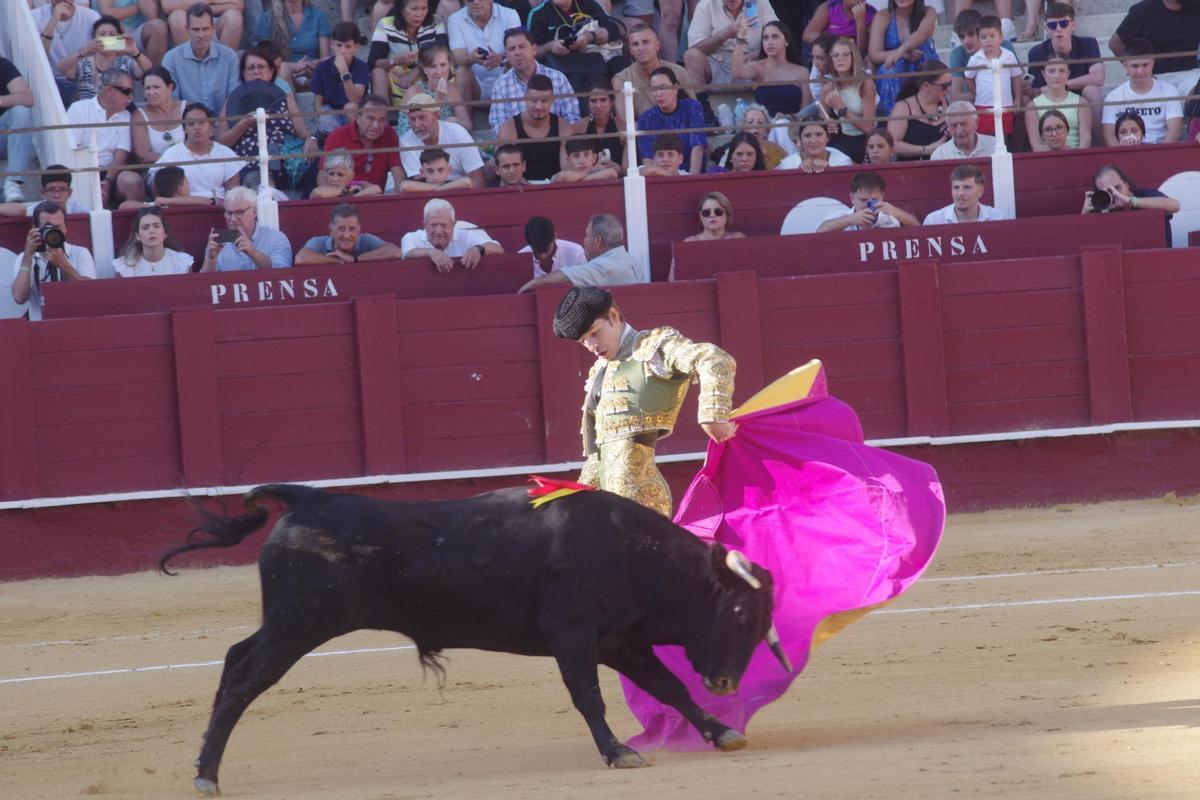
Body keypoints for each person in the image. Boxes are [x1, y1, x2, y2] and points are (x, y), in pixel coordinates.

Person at [549, 285, 736, 517]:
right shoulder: (600, 371)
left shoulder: (653, 348)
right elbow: (599, 452)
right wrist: (580, 496)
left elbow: (712, 358)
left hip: (642, 500)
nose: (592, 346)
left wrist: (712, 415)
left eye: (595, 333)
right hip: (606, 505)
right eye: (584, 341)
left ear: (614, 317)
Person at [218, 45, 317, 189]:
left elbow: (302, 132)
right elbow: (222, 142)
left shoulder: (284, 98)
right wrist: (244, 124)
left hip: (283, 160)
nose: (256, 72)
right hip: (247, 164)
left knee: (318, 163)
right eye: (251, 68)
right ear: (244, 73)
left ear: (271, 72)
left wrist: (311, 139)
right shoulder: (233, 100)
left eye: (261, 67)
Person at [1026, 3, 1103, 143]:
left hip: (1079, 96)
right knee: (1026, 101)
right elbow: (1035, 91)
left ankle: (1100, 145)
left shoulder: (1088, 44)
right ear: (1046, 28)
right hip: (1050, 96)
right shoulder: (1036, 52)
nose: (1058, 29)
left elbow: (1099, 77)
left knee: (1093, 91)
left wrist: (1063, 84)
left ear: (1073, 25)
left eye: (1063, 23)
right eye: (1052, 25)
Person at [684, 0, 780, 108]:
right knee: (691, 56)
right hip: (718, 65)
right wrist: (726, 33)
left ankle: (772, 109)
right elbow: (695, 46)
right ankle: (703, 111)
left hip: (751, 63)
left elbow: (778, 32)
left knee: (774, 52)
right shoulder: (706, 5)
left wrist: (760, 53)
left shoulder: (759, 3)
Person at [11, 201, 97, 321]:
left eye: (57, 228)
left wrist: (64, 265)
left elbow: (90, 295)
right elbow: (19, 297)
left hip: (76, 325)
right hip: (40, 330)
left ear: (66, 227)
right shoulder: (25, 257)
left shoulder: (80, 253)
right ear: (35, 229)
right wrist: (28, 256)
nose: (53, 232)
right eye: (47, 227)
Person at [526, 0, 626, 102]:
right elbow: (530, 52)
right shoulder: (538, 13)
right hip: (562, 68)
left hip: (594, 61)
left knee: (621, 65)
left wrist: (590, 36)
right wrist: (550, 46)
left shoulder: (590, 4)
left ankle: (624, 114)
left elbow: (613, 29)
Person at [518, 213, 647, 291]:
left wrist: (532, 283)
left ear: (597, 240)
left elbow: (564, 276)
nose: (584, 241)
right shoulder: (632, 261)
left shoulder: (602, 267)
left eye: (587, 236)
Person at [66, 68, 139, 206]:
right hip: (83, 171)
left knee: (131, 180)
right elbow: (72, 150)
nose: (131, 97)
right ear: (110, 90)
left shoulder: (127, 116)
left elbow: (121, 153)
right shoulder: (79, 109)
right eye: (126, 91)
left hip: (110, 173)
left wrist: (108, 181)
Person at [488, 27, 579, 136]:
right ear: (506, 55)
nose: (517, 52)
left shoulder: (558, 78)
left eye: (522, 47)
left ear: (534, 49)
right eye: (512, 49)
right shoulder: (501, 86)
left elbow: (572, 118)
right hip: (519, 148)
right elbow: (498, 127)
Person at [1110, 0, 1200, 101]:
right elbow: (1115, 43)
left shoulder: (1196, 7)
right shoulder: (1143, 10)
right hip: (1153, 76)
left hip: (1190, 75)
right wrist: (1139, 69)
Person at [152, 102, 244, 200]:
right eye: (191, 124)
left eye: (201, 122)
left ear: (211, 125)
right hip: (183, 209)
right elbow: (157, 187)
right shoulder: (172, 154)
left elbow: (233, 193)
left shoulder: (225, 153)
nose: (196, 127)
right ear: (184, 129)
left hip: (218, 209)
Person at [1102, 39, 1184, 146]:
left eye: (1145, 65)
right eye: (1135, 66)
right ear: (1125, 64)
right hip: (1127, 152)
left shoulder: (1169, 91)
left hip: (1161, 150)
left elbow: (1175, 131)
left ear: (1153, 62)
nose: (1140, 71)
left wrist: (1158, 156)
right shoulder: (1114, 97)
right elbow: (1109, 136)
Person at [161, 4, 240, 114]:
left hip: (222, 123)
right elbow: (172, 101)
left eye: (205, 29)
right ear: (187, 29)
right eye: (196, 30)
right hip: (187, 125)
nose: (201, 35)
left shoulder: (229, 57)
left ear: (213, 28)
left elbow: (233, 97)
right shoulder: (171, 59)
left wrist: (220, 125)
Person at [368, 0, 446, 107]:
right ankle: (382, 116)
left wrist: (416, 71)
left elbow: (444, 53)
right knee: (377, 72)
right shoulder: (385, 24)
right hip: (398, 80)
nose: (419, 14)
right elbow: (372, 61)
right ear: (401, 9)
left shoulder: (436, 21)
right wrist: (396, 61)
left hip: (429, 76)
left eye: (424, 8)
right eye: (414, 9)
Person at [319, 95, 404, 192]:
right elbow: (323, 173)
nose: (376, 126)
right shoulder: (338, 136)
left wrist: (398, 200)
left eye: (381, 120)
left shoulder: (390, 135)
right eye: (370, 119)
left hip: (376, 199)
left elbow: (397, 173)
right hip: (344, 199)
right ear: (358, 118)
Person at [399, 91, 485, 185]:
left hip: (462, 189)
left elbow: (477, 178)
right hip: (429, 192)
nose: (417, 125)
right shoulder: (406, 142)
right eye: (412, 119)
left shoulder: (457, 132)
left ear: (436, 115)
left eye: (422, 117)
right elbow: (420, 184)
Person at [868, 0, 938, 115]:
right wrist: (900, 54)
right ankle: (894, 117)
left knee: (927, 66)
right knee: (888, 70)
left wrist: (900, 51)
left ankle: (927, 114)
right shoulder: (883, 16)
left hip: (922, 63)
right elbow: (874, 54)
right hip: (894, 67)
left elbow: (922, 33)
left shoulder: (928, 12)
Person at [200, 186, 294, 271]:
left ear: (254, 212)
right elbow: (203, 284)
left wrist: (253, 253)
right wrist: (211, 260)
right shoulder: (219, 241)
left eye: (239, 212)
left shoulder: (276, 238)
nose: (233, 219)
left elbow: (284, 274)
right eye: (229, 213)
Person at [1082, 163, 1179, 245]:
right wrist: (1085, 213)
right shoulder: (1102, 208)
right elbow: (1082, 238)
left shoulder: (1145, 196)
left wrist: (1130, 201)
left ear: (1127, 183)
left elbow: (1175, 206)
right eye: (1108, 192)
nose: (1115, 193)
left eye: (1117, 188)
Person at [58, 16, 150, 101]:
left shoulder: (125, 61)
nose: (107, 38)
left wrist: (135, 52)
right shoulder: (84, 62)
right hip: (90, 114)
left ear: (119, 38)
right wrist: (84, 52)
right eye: (102, 34)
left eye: (112, 35)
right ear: (94, 38)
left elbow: (148, 71)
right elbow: (62, 68)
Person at [446, 0, 520, 105]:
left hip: (504, 77)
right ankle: (464, 121)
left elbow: (518, 51)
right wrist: (472, 58)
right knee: (462, 72)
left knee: (515, 67)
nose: (475, 2)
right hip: (476, 84)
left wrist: (501, 60)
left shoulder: (510, 15)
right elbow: (458, 58)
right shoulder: (455, 19)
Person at [612, 24, 694, 117]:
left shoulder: (679, 72)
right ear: (630, 50)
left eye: (645, 42)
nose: (641, 48)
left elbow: (694, 112)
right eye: (635, 44)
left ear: (657, 45)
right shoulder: (621, 79)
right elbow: (624, 122)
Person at [635, 67, 706, 175]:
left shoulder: (692, 107)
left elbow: (698, 147)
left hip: (690, 174)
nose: (658, 94)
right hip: (660, 177)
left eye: (663, 88)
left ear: (676, 88)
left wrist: (691, 180)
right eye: (654, 89)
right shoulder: (645, 118)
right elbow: (648, 158)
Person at [400, 197, 502, 271]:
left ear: (453, 224)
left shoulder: (467, 230)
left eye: (444, 225)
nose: (438, 231)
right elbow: (408, 253)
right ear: (424, 224)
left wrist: (479, 249)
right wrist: (430, 252)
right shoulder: (411, 237)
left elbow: (497, 248)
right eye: (433, 225)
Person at [496, 75, 566, 182]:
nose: (538, 106)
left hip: (554, 186)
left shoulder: (563, 128)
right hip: (519, 188)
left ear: (552, 100)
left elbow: (568, 167)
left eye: (544, 101)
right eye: (534, 101)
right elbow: (506, 168)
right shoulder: (509, 128)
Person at [733, 20, 808, 118]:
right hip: (764, 128)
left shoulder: (801, 72)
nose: (769, 42)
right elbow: (737, 73)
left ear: (787, 41)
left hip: (793, 127)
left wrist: (791, 122)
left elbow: (806, 110)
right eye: (765, 38)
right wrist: (740, 39)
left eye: (775, 37)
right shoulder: (757, 67)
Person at [818, 37, 876, 163]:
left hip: (865, 140)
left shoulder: (865, 83)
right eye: (836, 55)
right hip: (840, 140)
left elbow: (868, 127)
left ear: (853, 57)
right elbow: (823, 120)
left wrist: (841, 108)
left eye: (845, 54)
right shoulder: (827, 88)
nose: (840, 58)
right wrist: (828, 125)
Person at [964, 15, 1022, 140]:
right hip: (983, 105)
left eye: (992, 36)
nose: (988, 40)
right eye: (984, 37)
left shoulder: (1009, 56)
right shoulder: (975, 59)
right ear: (979, 40)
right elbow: (968, 78)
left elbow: (1016, 77)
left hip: (1005, 104)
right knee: (985, 138)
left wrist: (1017, 98)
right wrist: (976, 94)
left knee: (1003, 137)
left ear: (1001, 37)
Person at [33, 0, 102, 104]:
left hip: (80, 79)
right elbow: (37, 55)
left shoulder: (91, 16)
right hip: (48, 79)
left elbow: (103, 47)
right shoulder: (35, 16)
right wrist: (54, 19)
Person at [667, 191, 746, 280]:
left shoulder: (737, 238)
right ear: (701, 216)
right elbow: (673, 279)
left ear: (727, 215)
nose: (712, 215)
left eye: (718, 211)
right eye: (706, 212)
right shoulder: (690, 243)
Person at [396, 45, 472, 134]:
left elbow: (468, 126)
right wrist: (438, 100)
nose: (439, 72)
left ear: (450, 65)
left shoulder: (452, 89)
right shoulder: (415, 91)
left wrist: (456, 122)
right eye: (433, 66)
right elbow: (421, 129)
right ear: (425, 69)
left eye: (443, 65)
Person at [256, 0, 331, 90]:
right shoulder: (268, 18)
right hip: (280, 72)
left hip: (312, 70)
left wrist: (311, 64)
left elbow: (325, 58)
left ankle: (309, 83)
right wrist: (293, 66)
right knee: (284, 70)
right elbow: (264, 58)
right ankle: (296, 96)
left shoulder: (318, 16)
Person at [297, 203, 405, 264]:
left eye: (352, 229)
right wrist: (337, 261)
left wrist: (355, 259)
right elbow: (301, 258)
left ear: (359, 230)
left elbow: (396, 252)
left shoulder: (365, 239)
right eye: (341, 229)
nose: (347, 235)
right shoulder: (319, 242)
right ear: (331, 230)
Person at [947, 8, 1016, 102]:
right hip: (976, 102)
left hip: (1006, 97)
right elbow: (956, 96)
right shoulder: (958, 54)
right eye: (961, 36)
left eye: (971, 34)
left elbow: (1019, 81)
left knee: (1024, 99)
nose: (966, 41)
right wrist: (985, 96)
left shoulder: (1004, 46)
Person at [311, 21, 370, 132]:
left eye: (348, 46)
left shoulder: (362, 67)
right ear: (332, 44)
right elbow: (317, 106)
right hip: (331, 112)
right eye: (339, 45)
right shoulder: (322, 68)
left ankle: (354, 141)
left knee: (350, 108)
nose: (342, 51)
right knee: (326, 113)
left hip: (355, 113)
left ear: (356, 47)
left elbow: (355, 100)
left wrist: (344, 73)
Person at [816, 170, 919, 232]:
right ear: (852, 198)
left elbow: (918, 227)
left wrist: (896, 212)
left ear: (882, 196)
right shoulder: (841, 215)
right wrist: (849, 220)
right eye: (863, 200)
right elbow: (819, 232)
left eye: (875, 199)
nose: (869, 204)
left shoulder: (890, 217)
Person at [887, 60, 949, 160]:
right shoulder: (903, 107)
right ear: (926, 86)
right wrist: (925, 150)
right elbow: (892, 144)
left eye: (950, 84)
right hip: (912, 167)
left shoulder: (948, 103)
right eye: (944, 86)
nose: (949, 89)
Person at [1025, 56, 1090, 150]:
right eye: (1051, 71)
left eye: (1062, 71)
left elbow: (1086, 140)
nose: (1057, 75)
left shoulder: (1081, 103)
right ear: (1043, 74)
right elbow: (1036, 145)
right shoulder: (1033, 106)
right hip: (1046, 159)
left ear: (1068, 74)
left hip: (1075, 157)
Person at [112, 206, 195, 277]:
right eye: (145, 228)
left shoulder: (181, 262)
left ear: (165, 233)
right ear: (137, 236)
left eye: (156, 226)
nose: (151, 231)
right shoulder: (124, 266)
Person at [131, 68, 185, 170]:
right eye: (147, 88)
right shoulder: (139, 115)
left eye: (156, 87)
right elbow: (143, 155)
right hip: (158, 170)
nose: (151, 92)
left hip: (190, 166)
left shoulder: (186, 109)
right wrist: (174, 162)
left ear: (170, 87)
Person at [0, 58, 36, 203]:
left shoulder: (2, 65)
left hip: (3, 135)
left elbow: (27, 98)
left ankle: (13, 182)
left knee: (21, 112)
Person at [922, 164, 1006, 225]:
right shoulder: (933, 221)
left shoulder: (997, 218)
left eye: (967, 187)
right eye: (956, 187)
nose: (960, 193)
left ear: (980, 191)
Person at [95, 0, 169, 67]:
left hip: (137, 31)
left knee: (158, 26)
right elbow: (108, 14)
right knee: (113, 30)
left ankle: (154, 75)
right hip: (110, 35)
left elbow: (152, 15)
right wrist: (137, 7)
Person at [570, 78, 624, 170]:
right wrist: (593, 170)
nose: (598, 106)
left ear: (612, 102)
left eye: (603, 100)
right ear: (587, 103)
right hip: (587, 181)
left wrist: (618, 168)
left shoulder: (623, 128)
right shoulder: (578, 128)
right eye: (593, 101)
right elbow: (569, 167)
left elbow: (629, 168)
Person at [0, 165, 89, 216]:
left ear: (70, 193)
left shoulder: (79, 211)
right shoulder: (36, 210)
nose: (57, 195)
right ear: (43, 193)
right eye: (51, 190)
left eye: (62, 190)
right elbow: (22, 210)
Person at [776, 116, 853, 172]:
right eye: (807, 136)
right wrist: (797, 172)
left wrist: (829, 169)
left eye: (818, 134)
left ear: (827, 138)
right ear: (800, 140)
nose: (813, 141)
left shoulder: (842, 161)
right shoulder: (788, 164)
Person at [519, 215, 586, 278]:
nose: (543, 256)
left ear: (554, 238)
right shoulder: (520, 258)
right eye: (537, 252)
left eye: (546, 250)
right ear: (529, 244)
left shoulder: (576, 252)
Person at [164, 0, 243, 50]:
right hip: (189, 24)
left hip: (219, 25)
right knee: (177, 17)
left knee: (234, 17)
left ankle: (224, 67)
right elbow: (168, 6)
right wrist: (210, 1)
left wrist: (203, 9)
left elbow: (238, 4)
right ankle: (190, 65)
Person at [930, 101, 995, 160]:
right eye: (954, 125)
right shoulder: (940, 155)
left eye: (964, 124)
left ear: (976, 123)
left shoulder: (994, 146)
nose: (959, 131)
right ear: (948, 127)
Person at [802, 0, 875, 53]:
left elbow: (862, 51)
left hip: (855, 60)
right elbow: (808, 35)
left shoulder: (871, 13)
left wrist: (860, 22)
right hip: (829, 54)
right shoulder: (829, 8)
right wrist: (839, 41)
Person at [310, 150, 385, 198]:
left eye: (340, 175)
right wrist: (346, 190)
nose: (335, 179)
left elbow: (377, 189)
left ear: (351, 175)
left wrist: (354, 197)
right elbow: (317, 193)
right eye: (331, 174)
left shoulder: (357, 185)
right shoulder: (325, 188)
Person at [400, 147, 475, 191]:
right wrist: (438, 188)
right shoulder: (418, 186)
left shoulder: (452, 184)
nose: (435, 177)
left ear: (449, 170)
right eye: (430, 171)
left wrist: (439, 189)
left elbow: (468, 182)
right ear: (422, 172)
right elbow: (404, 186)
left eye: (440, 170)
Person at [741, 103, 788, 168]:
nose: (755, 126)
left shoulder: (778, 152)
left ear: (766, 131)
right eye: (750, 122)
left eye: (760, 123)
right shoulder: (733, 151)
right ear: (743, 129)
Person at [553, 138, 620, 182]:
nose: (582, 161)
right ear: (568, 160)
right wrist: (591, 172)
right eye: (576, 156)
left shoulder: (596, 171)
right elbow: (562, 177)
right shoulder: (563, 174)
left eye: (586, 155)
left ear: (594, 158)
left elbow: (612, 173)